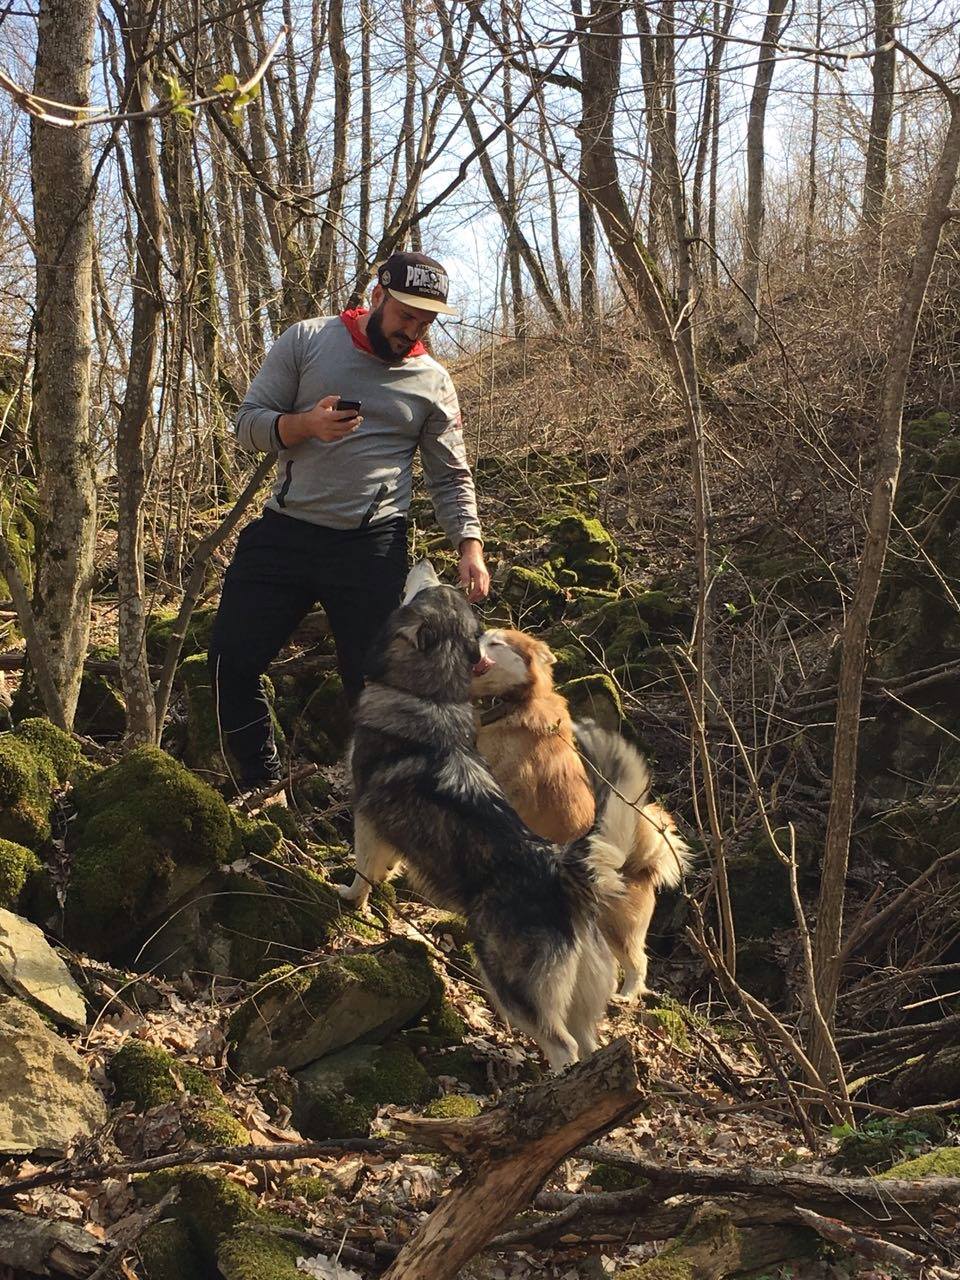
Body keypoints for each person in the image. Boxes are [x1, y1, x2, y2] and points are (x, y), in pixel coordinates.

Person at [208, 250, 490, 795]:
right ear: (377, 296)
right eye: (406, 314)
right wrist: (303, 424)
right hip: (285, 533)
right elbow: (247, 425)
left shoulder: (432, 382)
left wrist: (469, 545)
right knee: (229, 665)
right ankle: (260, 786)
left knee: (373, 687)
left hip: (371, 547)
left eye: (426, 321)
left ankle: (376, 807)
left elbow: (451, 475)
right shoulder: (307, 341)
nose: (413, 329)